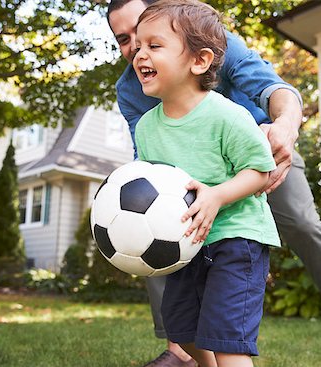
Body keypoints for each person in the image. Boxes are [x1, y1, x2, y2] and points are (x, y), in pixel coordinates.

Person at [106, 1, 321, 367]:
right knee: (152, 221)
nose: (134, 50)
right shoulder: (131, 89)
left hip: (260, 147)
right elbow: (152, 172)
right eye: (124, 40)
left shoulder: (205, 39)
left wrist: (285, 126)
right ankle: (181, 348)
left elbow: (272, 88)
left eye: (143, 36)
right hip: (193, 177)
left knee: (303, 225)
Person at [133, 2, 279, 366]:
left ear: (199, 61)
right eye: (138, 46)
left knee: (228, 341)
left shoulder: (227, 115)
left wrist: (216, 196)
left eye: (154, 45)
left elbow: (260, 171)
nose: (139, 55)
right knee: (183, 331)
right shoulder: (147, 128)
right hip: (186, 244)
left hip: (237, 240)